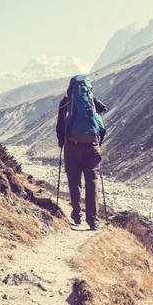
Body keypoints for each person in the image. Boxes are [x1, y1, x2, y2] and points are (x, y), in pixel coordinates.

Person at [56, 76, 107, 230]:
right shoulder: (93, 102)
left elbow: (60, 125)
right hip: (92, 147)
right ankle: (93, 220)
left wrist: (61, 142)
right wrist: (98, 143)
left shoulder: (65, 102)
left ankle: (77, 214)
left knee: (74, 180)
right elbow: (101, 125)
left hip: (72, 146)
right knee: (92, 182)